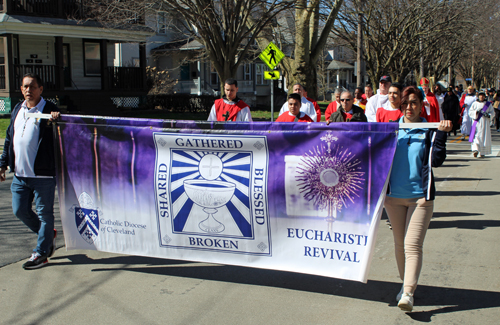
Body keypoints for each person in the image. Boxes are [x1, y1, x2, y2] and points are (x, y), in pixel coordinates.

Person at [384, 85, 452, 312]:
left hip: (420, 198)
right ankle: (406, 286)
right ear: (400, 105)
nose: (410, 107)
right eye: (406, 103)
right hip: (393, 198)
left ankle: (408, 293)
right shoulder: (392, 129)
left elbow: (437, 160)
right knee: (399, 245)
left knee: (412, 245)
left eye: (414, 102)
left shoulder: (429, 129)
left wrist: (441, 133)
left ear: (422, 105)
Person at [0, 73, 60, 269]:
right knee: (20, 210)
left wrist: (57, 121)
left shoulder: (50, 110)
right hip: (19, 174)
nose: (28, 90)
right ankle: (48, 234)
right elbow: (9, 137)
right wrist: (2, 164)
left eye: (32, 87)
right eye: (25, 87)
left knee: (45, 214)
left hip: (42, 175)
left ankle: (41, 252)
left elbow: (63, 135)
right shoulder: (17, 108)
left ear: (40, 89)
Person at [468, 91, 494, 158]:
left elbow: (492, 113)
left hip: (484, 123)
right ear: (478, 96)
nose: (481, 97)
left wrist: (488, 115)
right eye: (480, 95)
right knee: (475, 136)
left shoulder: (488, 104)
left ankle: (483, 152)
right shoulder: (474, 103)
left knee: (484, 137)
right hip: (476, 122)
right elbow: (470, 112)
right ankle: (475, 150)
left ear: (484, 96)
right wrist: (476, 112)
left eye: (482, 95)